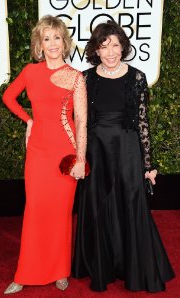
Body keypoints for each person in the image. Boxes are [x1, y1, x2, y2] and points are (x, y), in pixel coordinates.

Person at [72, 20, 174, 292]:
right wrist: (79, 157)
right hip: (97, 151)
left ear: (123, 46)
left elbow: (143, 123)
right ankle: (103, 267)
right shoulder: (86, 78)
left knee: (130, 204)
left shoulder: (136, 77)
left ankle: (133, 267)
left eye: (115, 45)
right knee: (99, 206)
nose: (110, 52)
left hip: (127, 150)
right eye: (104, 46)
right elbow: (80, 121)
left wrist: (148, 164)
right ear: (96, 49)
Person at [3, 15, 87, 294]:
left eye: (57, 37)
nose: (52, 43)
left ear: (65, 42)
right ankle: (24, 273)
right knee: (35, 211)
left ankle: (60, 270)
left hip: (66, 151)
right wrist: (28, 121)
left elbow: (83, 121)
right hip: (38, 152)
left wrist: (81, 159)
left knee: (62, 214)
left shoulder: (76, 77)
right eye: (46, 38)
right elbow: (8, 97)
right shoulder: (30, 71)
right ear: (39, 44)